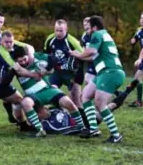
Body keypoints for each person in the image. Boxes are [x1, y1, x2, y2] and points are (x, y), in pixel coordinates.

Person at [70, 15, 125, 143]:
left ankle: (116, 135)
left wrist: (77, 54)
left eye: (88, 28)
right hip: (104, 72)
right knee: (85, 95)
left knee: (100, 104)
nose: (87, 31)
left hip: (110, 72)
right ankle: (93, 128)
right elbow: (91, 57)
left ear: (94, 27)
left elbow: (90, 52)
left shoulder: (97, 34)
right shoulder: (103, 34)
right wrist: (79, 56)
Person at [8, 47, 85, 137]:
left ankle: (82, 127)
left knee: (69, 103)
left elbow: (54, 59)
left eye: (24, 59)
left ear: (28, 56)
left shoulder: (37, 57)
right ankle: (40, 130)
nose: (23, 62)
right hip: (33, 95)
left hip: (48, 90)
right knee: (26, 103)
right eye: (20, 61)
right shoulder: (14, 65)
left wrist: (46, 69)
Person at [44, 19, 86, 124]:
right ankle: (58, 115)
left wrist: (76, 66)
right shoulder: (50, 39)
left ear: (66, 29)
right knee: (50, 91)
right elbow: (46, 55)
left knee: (76, 99)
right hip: (57, 73)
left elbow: (84, 56)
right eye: (56, 30)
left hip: (71, 74)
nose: (58, 33)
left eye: (61, 31)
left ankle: (86, 124)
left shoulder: (72, 41)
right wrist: (48, 68)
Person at [115, 11, 143, 108]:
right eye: (141, 18)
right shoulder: (139, 30)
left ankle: (127, 98)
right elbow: (135, 39)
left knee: (137, 78)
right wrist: (133, 41)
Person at [81, 17, 97, 84]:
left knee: (89, 80)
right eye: (84, 25)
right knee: (88, 81)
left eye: (87, 25)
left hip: (98, 61)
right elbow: (83, 49)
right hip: (91, 62)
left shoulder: (96, 35)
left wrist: (80, 56)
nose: (85, 27)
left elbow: (95, 54)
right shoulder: (84, 36)